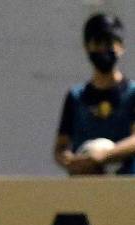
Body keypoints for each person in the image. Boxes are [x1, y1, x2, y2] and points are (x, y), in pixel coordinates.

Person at [56, 13, 135, 175]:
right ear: (87, 46)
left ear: (121, 47)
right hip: (86, 189)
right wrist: (71, 161)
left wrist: (104, 156)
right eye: (97, 43)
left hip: (126, 188)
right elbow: (61, 146)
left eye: (109, 43)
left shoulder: (132, 93)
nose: (103, 49)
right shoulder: (76, 96)